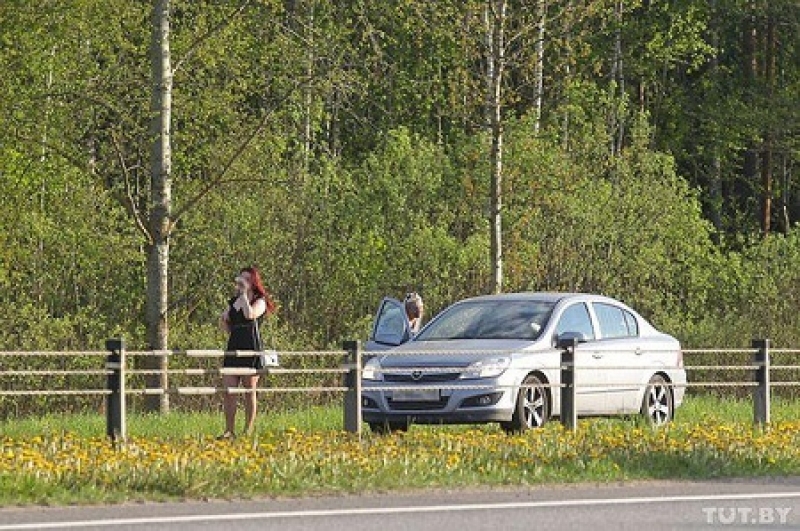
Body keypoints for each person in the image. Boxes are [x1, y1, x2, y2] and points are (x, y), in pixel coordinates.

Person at [218, 266, 276, 439]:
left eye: (246, 279)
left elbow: (250, 315)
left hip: (251, 347)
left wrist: (244, 296)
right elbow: (225, 322)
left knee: (249, 390)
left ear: (253, 282)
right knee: (229, 391)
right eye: (240, 279)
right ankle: (229, 431)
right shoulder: (234, 300)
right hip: (234, 345)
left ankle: (248, 430)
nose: (242, 282)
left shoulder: (259, 301)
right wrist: (225, 321)